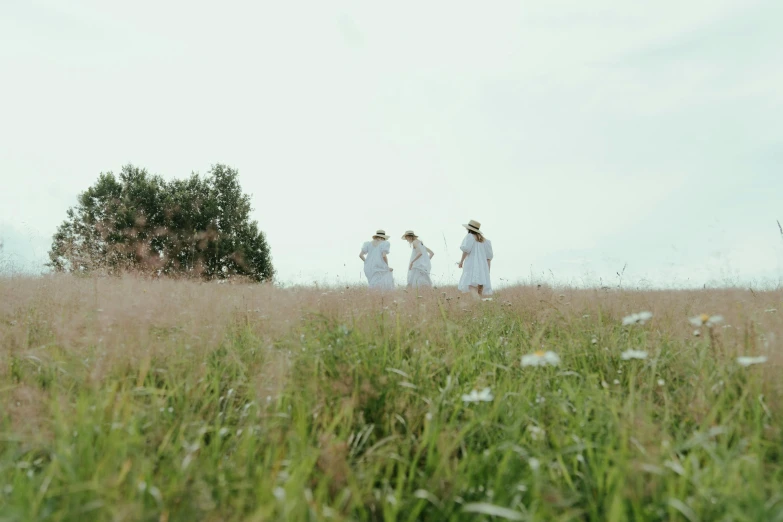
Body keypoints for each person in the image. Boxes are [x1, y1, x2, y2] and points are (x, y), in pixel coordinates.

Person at [458, 220, 493, 297]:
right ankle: (480, 303)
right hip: (483, 266)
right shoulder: (485, 241)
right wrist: (487, 270)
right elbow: (488, 258)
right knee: (480, 286)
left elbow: (466, 250)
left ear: (468, 229)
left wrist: (461, 262)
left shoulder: (469, 237)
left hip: (472, 264)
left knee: (471, 285)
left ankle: (477, 302)